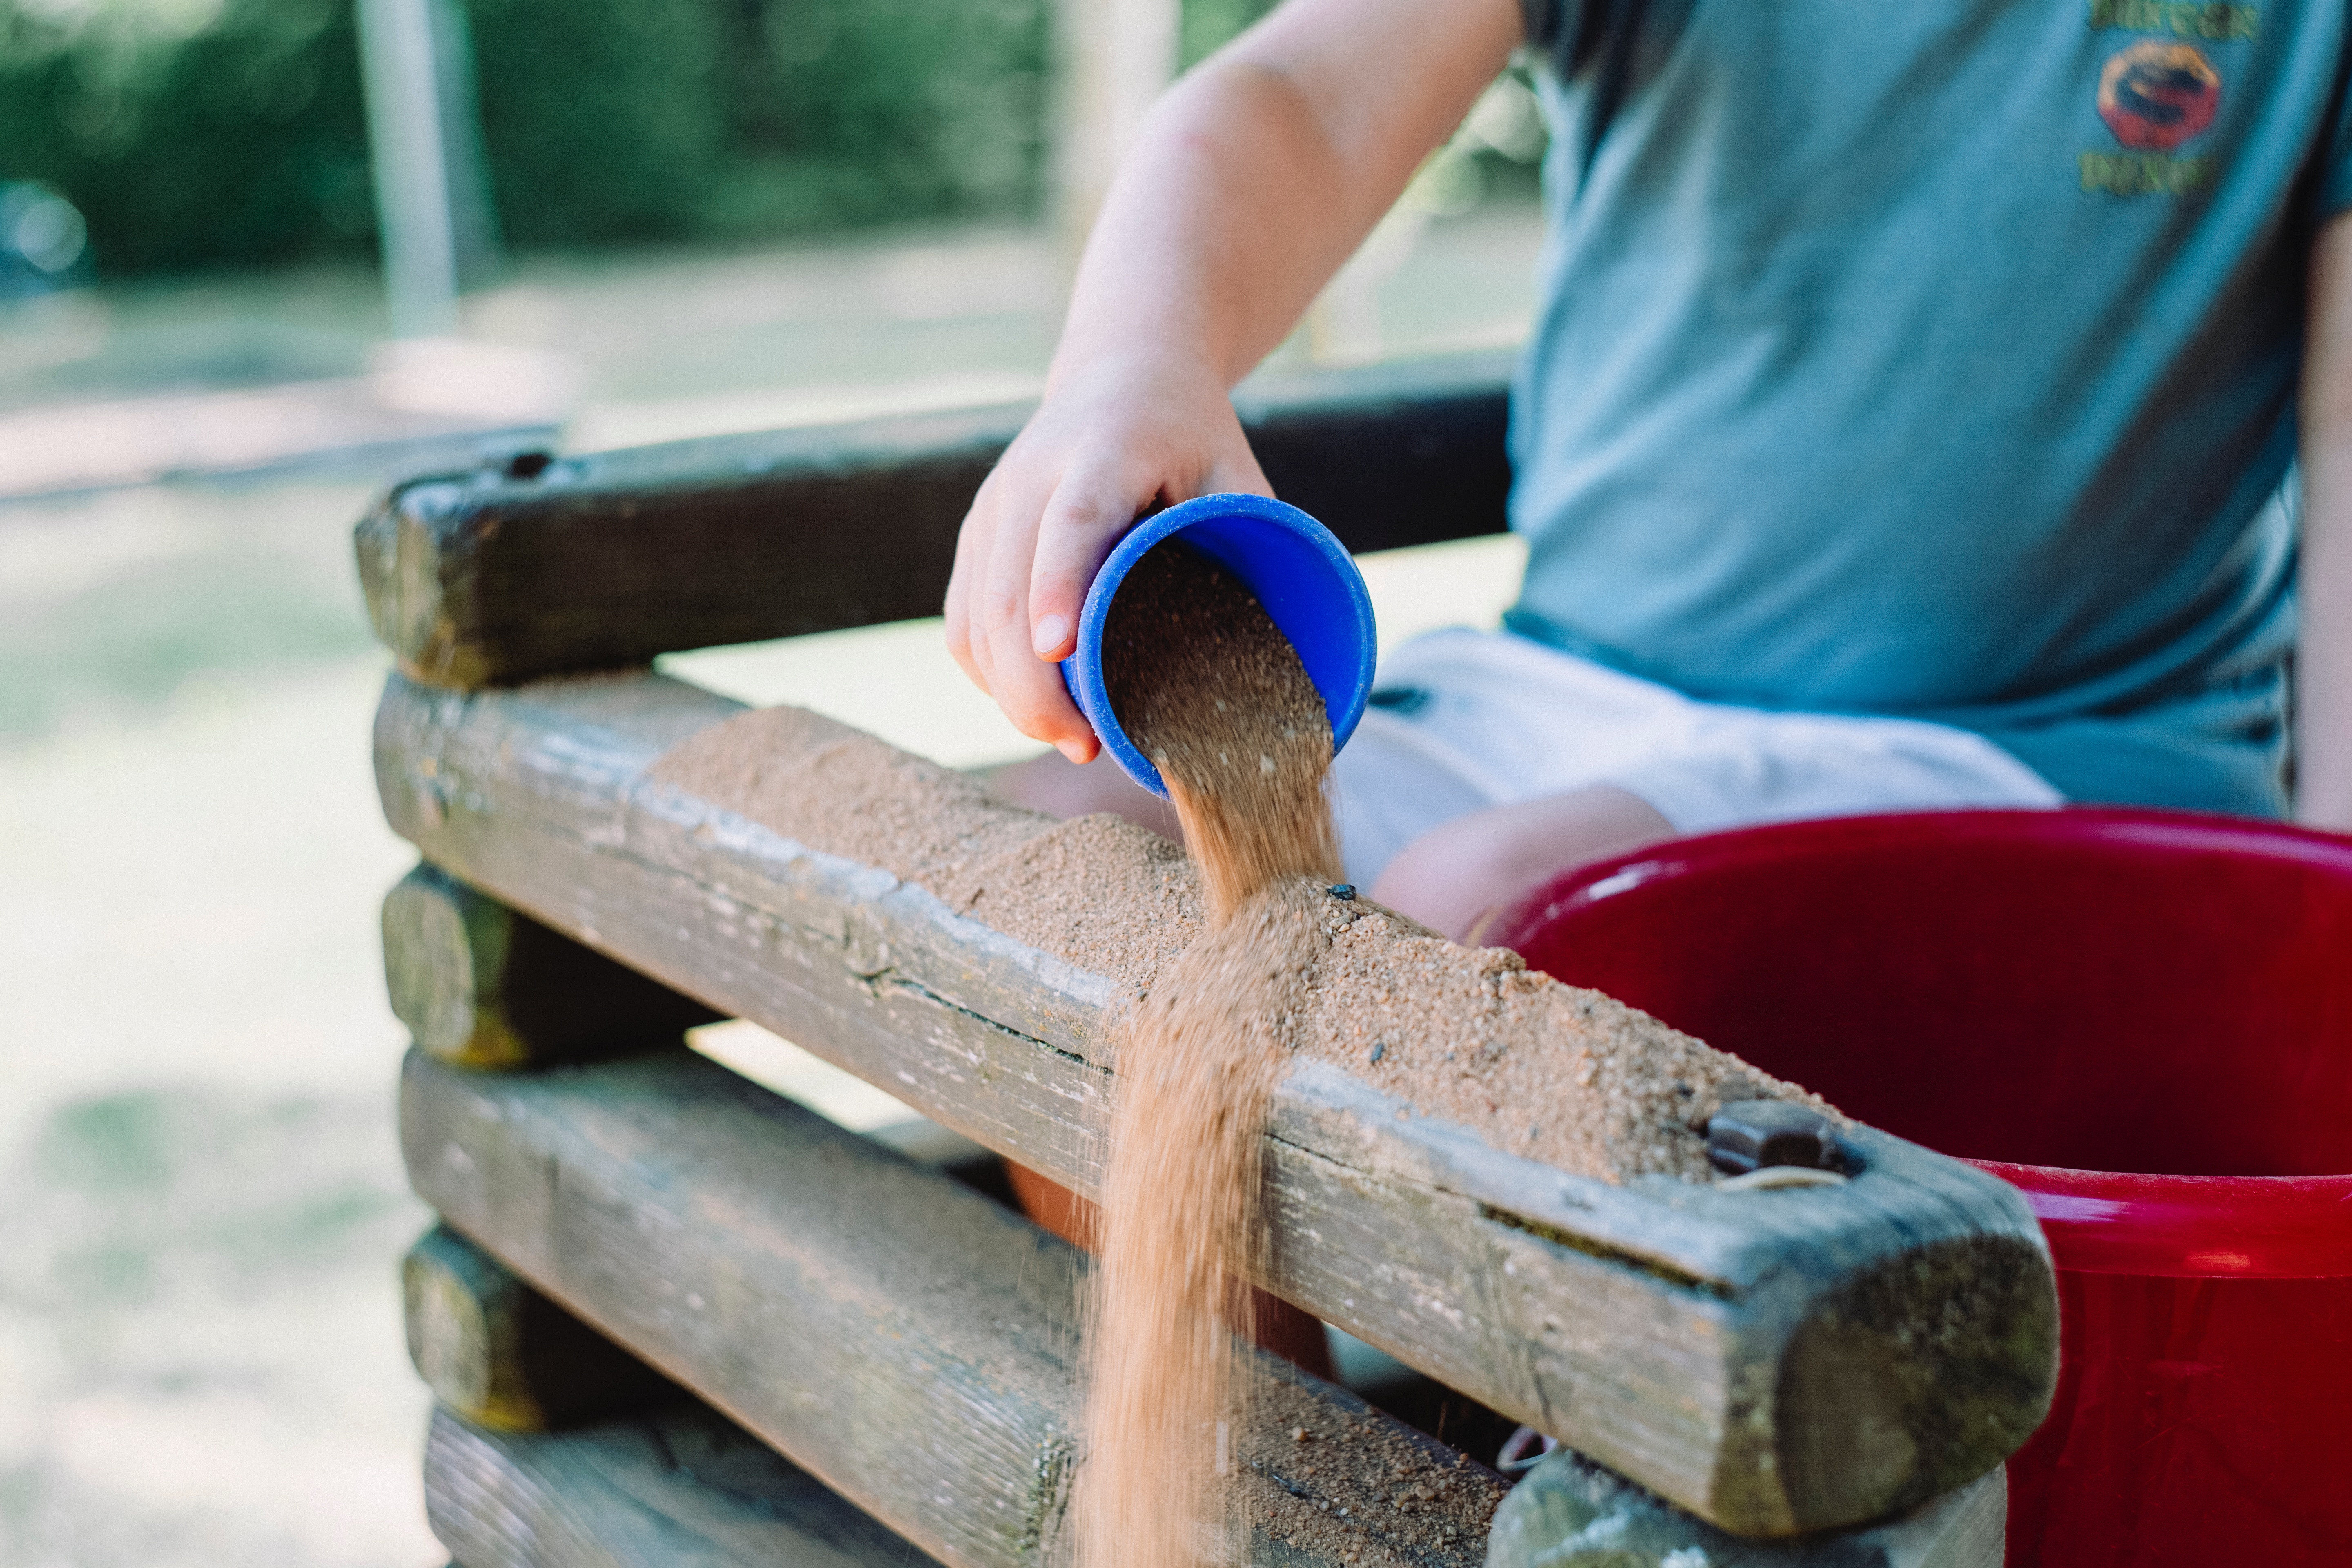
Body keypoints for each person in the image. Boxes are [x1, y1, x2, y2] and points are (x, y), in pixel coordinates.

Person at [945, 0, 2352, 941]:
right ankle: (1251, 1400)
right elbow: (1303, 94)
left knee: (1502, 905)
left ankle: (1467, 1407)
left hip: (2042, 744)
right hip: (1569, 687)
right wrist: (1140, 360)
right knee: (1068, 859)